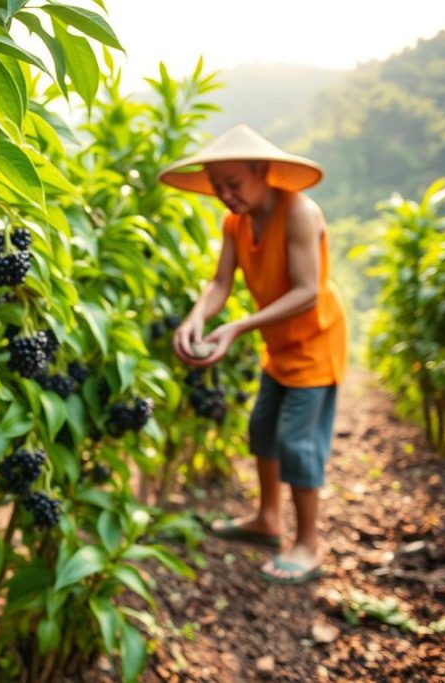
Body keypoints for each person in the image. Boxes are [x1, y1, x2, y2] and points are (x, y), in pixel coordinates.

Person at [158, 124, 347, 585]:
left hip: (315, 342)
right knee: (262, 428)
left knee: (297, 442)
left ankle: (307, 545)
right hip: (277, 344)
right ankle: (266, 519)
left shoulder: (299, 212)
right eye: (218, 186)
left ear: (263, 171)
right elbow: (220, 283)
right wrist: (195, 318)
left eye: (234, 183)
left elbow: (306, 291)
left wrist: (238, 326)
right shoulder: (235, 222)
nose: (225, 194)